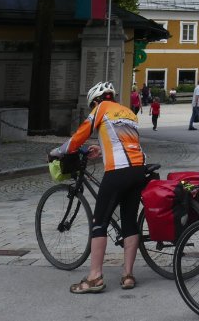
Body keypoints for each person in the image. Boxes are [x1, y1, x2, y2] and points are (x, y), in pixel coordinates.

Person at [49, 81, 147, 293]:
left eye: (92, 105)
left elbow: (79, 136)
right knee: (129, 220)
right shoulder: (129, 112)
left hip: (118, 171)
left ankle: (94, 277)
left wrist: (59, 151)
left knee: (99, 221)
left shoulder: (101, 109)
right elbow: (127, 142)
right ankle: (128, 275)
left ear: (96, 101)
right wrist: (102, 150)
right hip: (138, 169)